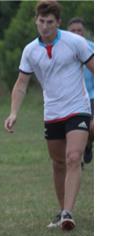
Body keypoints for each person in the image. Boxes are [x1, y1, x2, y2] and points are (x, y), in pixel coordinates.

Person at [4, 1, 94, 231]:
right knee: (58, 163)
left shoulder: (75, 42)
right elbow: (21, 83)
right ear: (36, 21)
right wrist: (14, 112)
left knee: (74, 157)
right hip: (52, 112)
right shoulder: (30, 50)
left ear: (58, 23)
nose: (45, 26)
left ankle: (67, 213)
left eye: (50, 22)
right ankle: (62, 209)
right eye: (41, 21)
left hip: (78, 108)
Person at [68, 17, 94, 164]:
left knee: (91, 128)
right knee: (70, 131)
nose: (76, 33)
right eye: (73, 31)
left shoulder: (93, 49)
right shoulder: (63, 51)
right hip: (70, 98)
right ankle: (76, 161)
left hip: (92, 96)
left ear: (84, 32)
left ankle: (88, 145)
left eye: (79, 30)